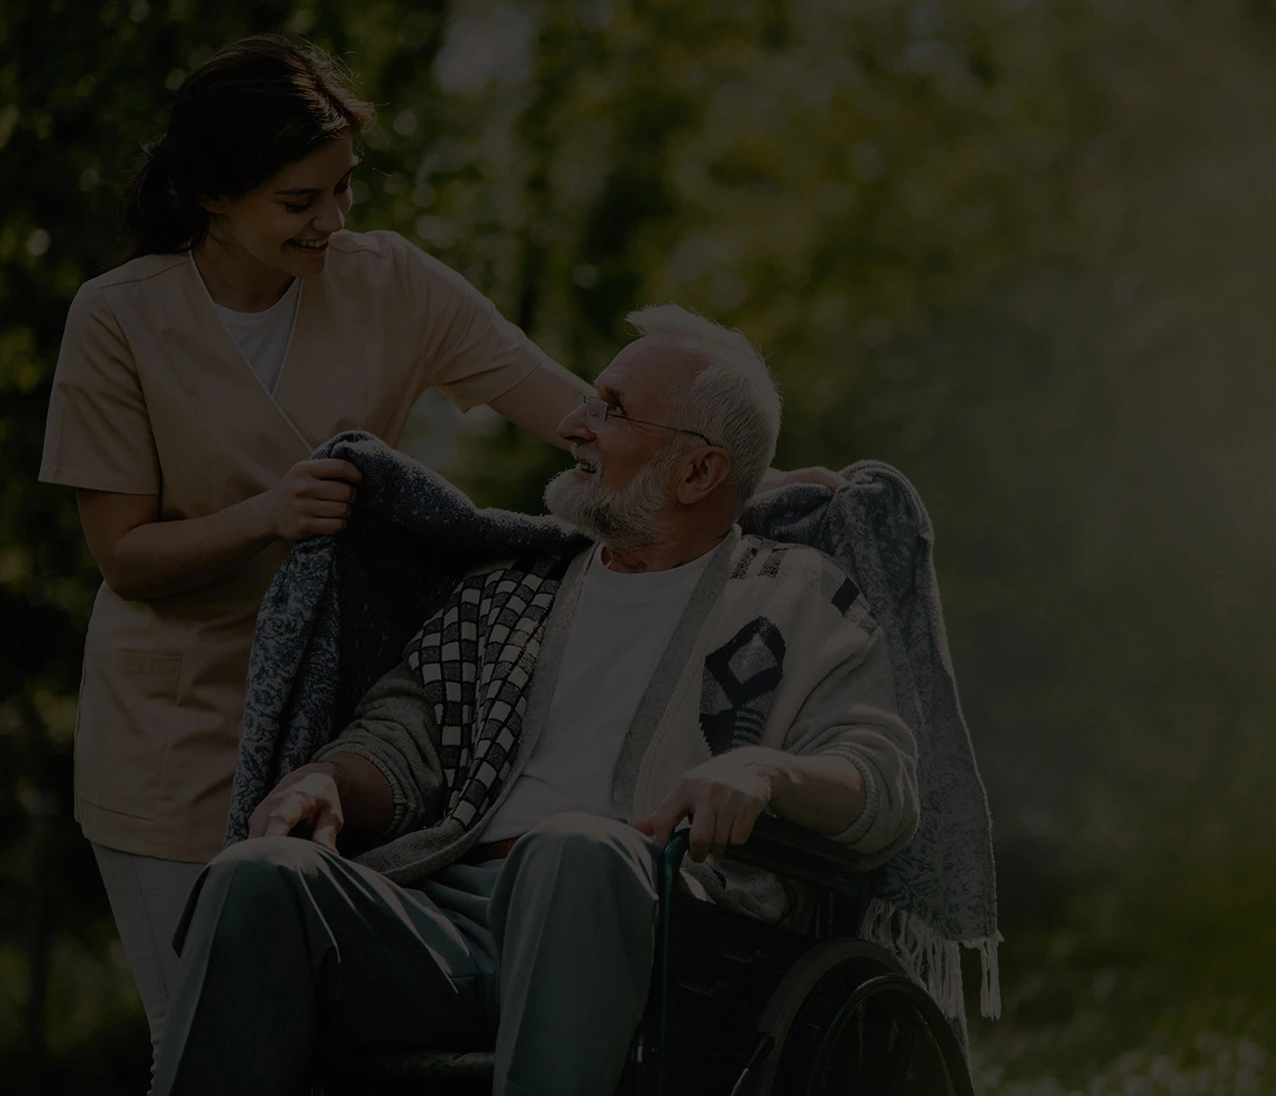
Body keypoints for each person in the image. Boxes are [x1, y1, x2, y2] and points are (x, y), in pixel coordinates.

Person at [37, 35, 835, 1055]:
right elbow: (124, 555)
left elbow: (576, 413)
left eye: (343, 188)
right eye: (298, 201)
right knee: (195, 1040)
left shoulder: (391, 282)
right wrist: (269, 514)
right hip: (174, 727)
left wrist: (746, 478)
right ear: (212, 196)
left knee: (320, 1047)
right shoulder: (117, 318)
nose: (332, 221)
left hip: (341, 718)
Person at [150, 305, 919, 1096]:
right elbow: (401, 737)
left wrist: (766, 771)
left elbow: (883, 780)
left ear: (698, 473)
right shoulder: (513, 591)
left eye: (610, 409)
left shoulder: (798, 599)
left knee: (574, 849)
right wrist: (330, 779)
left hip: (667, 933)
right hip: (445, 923)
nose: (572, 424)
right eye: (589, 399)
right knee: (260, 875)